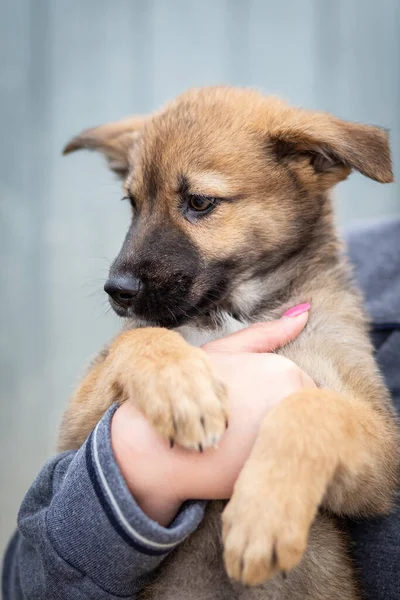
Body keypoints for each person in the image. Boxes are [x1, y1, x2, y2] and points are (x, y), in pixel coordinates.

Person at [2, 217, 400, 600]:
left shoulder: (330, 288)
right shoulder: (196, 295)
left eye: (199, 202)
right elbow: (28, 577)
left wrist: (301, 438)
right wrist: (142, 455)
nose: (125, 272)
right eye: (137, 204)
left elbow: (380, 478)